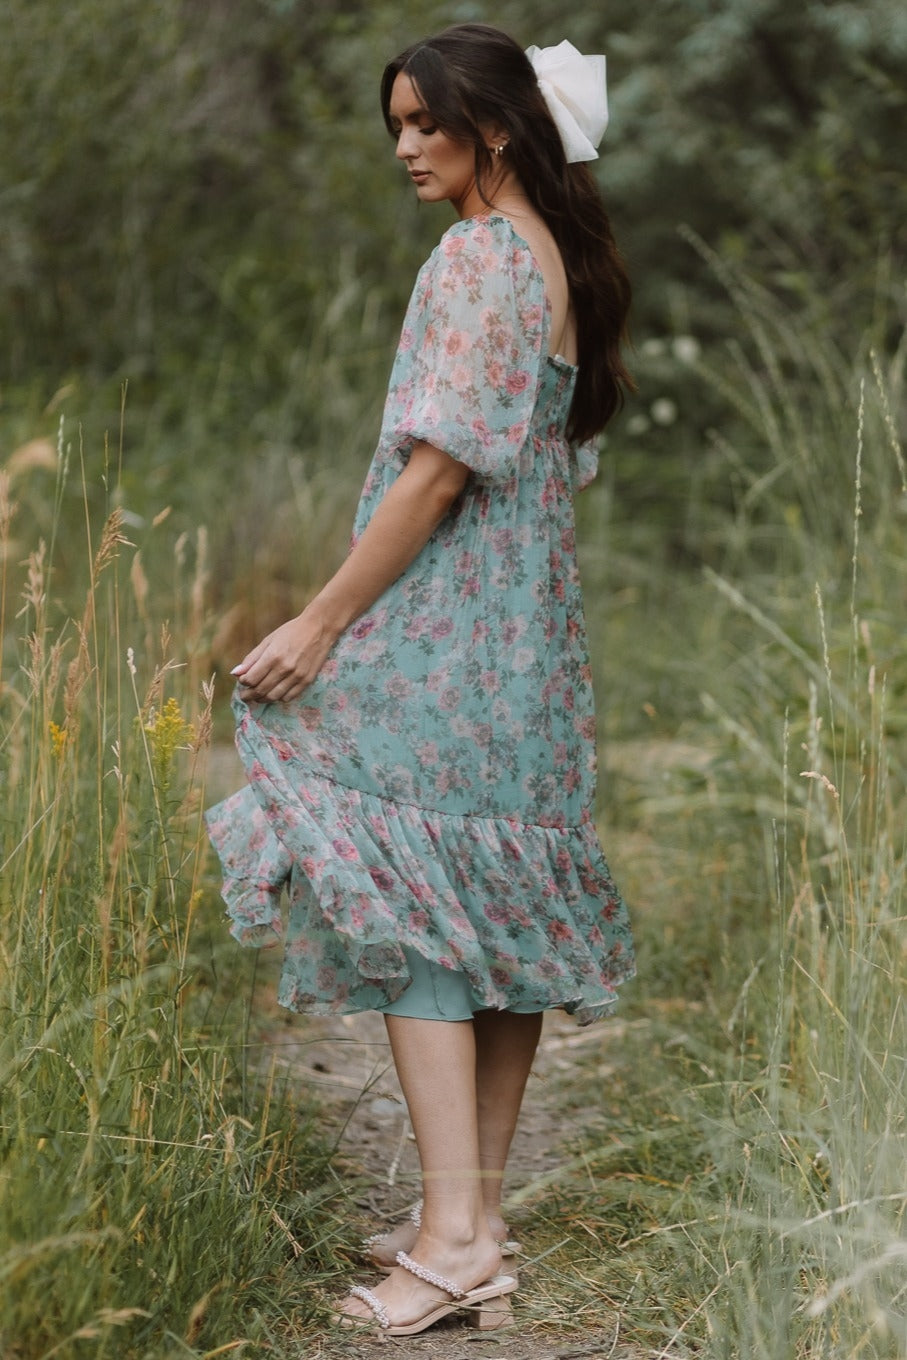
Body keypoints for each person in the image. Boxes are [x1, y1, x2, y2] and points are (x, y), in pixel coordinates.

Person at [205, 21, 636, 1337]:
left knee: (407, 894)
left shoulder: (481, 260)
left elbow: (438, 473)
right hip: (524, 642)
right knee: (490, 908)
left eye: (423, 125)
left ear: (494, 129)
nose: (403, 147)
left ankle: (451, 1242)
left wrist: (324, 623)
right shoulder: (549, 259)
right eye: (393, 124)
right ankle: (477, 1218)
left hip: (450, 629)